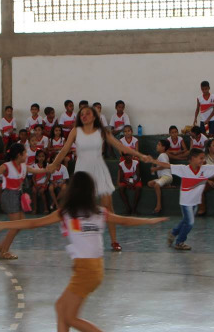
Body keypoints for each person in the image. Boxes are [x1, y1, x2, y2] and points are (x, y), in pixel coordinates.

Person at [0, 171, 166, 332]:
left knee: (69, 316)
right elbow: (124, 220)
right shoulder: (98, 212)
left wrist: (0, 224)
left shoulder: (66, 213)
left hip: (85, 272)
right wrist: (149, 221)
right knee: (61, 306)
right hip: (94, 269)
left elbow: (32, 223)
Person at [47, 105, 152, 252]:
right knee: (80, 208)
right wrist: (53, 164)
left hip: (99, 170)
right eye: (82, 114)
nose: (84, 116)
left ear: (95, 116)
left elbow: (120, 146)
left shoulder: (102, 131)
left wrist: (140, 155)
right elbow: (64, 150)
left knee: (108, 207)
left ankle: (114, 241)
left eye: (88, 113)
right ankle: (79, 239)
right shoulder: (75, 131)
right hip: (82, 172)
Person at [0, 143, 50, 260]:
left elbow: (37, 170)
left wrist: (49, 168)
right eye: (25, 153)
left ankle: (2, 246)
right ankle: (4, 252)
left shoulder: (24, 166)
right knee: (16, 225)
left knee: (20, 224)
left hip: (17, 195)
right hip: (9, 196)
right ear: (19, 155)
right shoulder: (6, 166)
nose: (27, 155)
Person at [166, 148, 214, 250]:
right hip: (186, 202)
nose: (202, 160)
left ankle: (173, 233)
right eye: (200, 158)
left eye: (203, 158)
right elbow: (168, 166)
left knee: (186, 220)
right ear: (192, 159)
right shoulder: (184, 169)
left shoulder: (204, 169)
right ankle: (179, 242)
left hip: (195, 201)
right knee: (190, 222)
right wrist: (151, 161)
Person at [148, 138, 172, 215]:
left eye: (159, 144)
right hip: (162, 178)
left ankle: (158, 206)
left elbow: (166, 166)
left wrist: (155, 168)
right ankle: (167, 185)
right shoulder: (160, 156)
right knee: (150, 183)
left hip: (167, 177)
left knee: (157, 185)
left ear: (163, 147)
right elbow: (156, 163)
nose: (157, 146)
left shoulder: (163, 155)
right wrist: (153, 163)